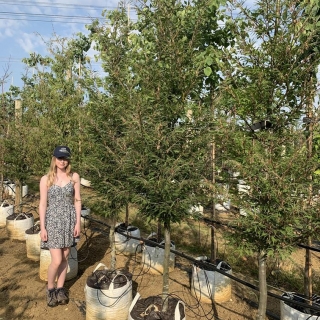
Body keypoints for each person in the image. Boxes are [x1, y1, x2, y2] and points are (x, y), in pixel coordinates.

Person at [39, 146, 81, 307]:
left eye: (64, 158)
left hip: (69, 221)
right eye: (59, 158)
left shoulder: (74, 177)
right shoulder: (46, 179)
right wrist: (43, 227)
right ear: (54, 159)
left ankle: (60, 289)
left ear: (68, 159)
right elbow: (42, 204)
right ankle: (50, 289)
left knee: (64, 257)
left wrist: (78, 222)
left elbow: (77, 200)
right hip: (53, 222)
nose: (62, 161)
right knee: (56, 260)